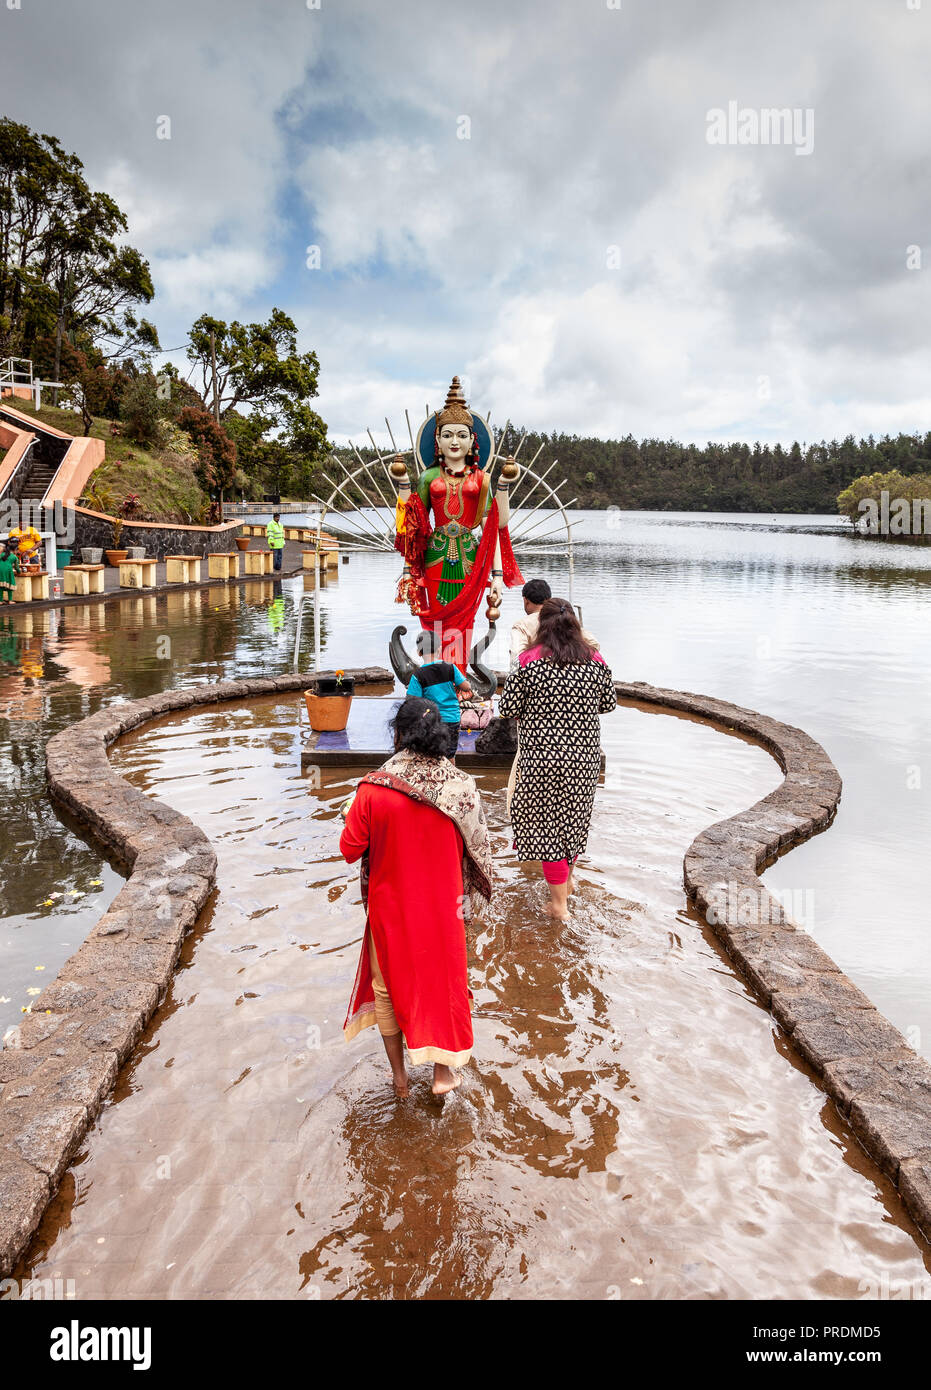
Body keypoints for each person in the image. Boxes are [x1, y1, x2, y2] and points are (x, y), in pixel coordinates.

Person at [341, 697, 493, 1097]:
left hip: (389, 912)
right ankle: (443, 1076)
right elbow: (479, 851)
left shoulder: (372, 789)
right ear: (441, 735)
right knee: (443, 985)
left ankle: (400, 1079)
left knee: (387, 989)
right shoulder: (461, 788)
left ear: (398, 734)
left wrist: (350, 812)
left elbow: (349, 848)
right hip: (445, 909)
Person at [498, 597, 616, 922]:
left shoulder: (528, 661)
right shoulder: (594, 659)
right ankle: (568, 880)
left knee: (548, 829)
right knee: (573, 822)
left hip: (541, 759)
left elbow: (507, 708)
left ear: (542, 625)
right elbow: (608, 702)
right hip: (583, 758)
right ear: (574, 625)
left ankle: (558, 906)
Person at [406, 629, 473, 760]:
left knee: (432, 755)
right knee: (450, 755)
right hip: (453, 719)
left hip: (433, 722)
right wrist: (458, 685)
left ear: (419, 653)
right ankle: (453, 778)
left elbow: (412, 702)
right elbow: (467, 687)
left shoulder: (418, 675)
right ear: (439, 649)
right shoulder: (450, 667)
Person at [510, 578, 599, 668]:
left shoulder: (522, 625)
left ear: (525, 601)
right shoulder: (563, 616)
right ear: (549, 599)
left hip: (536, 673)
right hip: (573, 671)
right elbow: (594, 644)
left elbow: (516, 655)